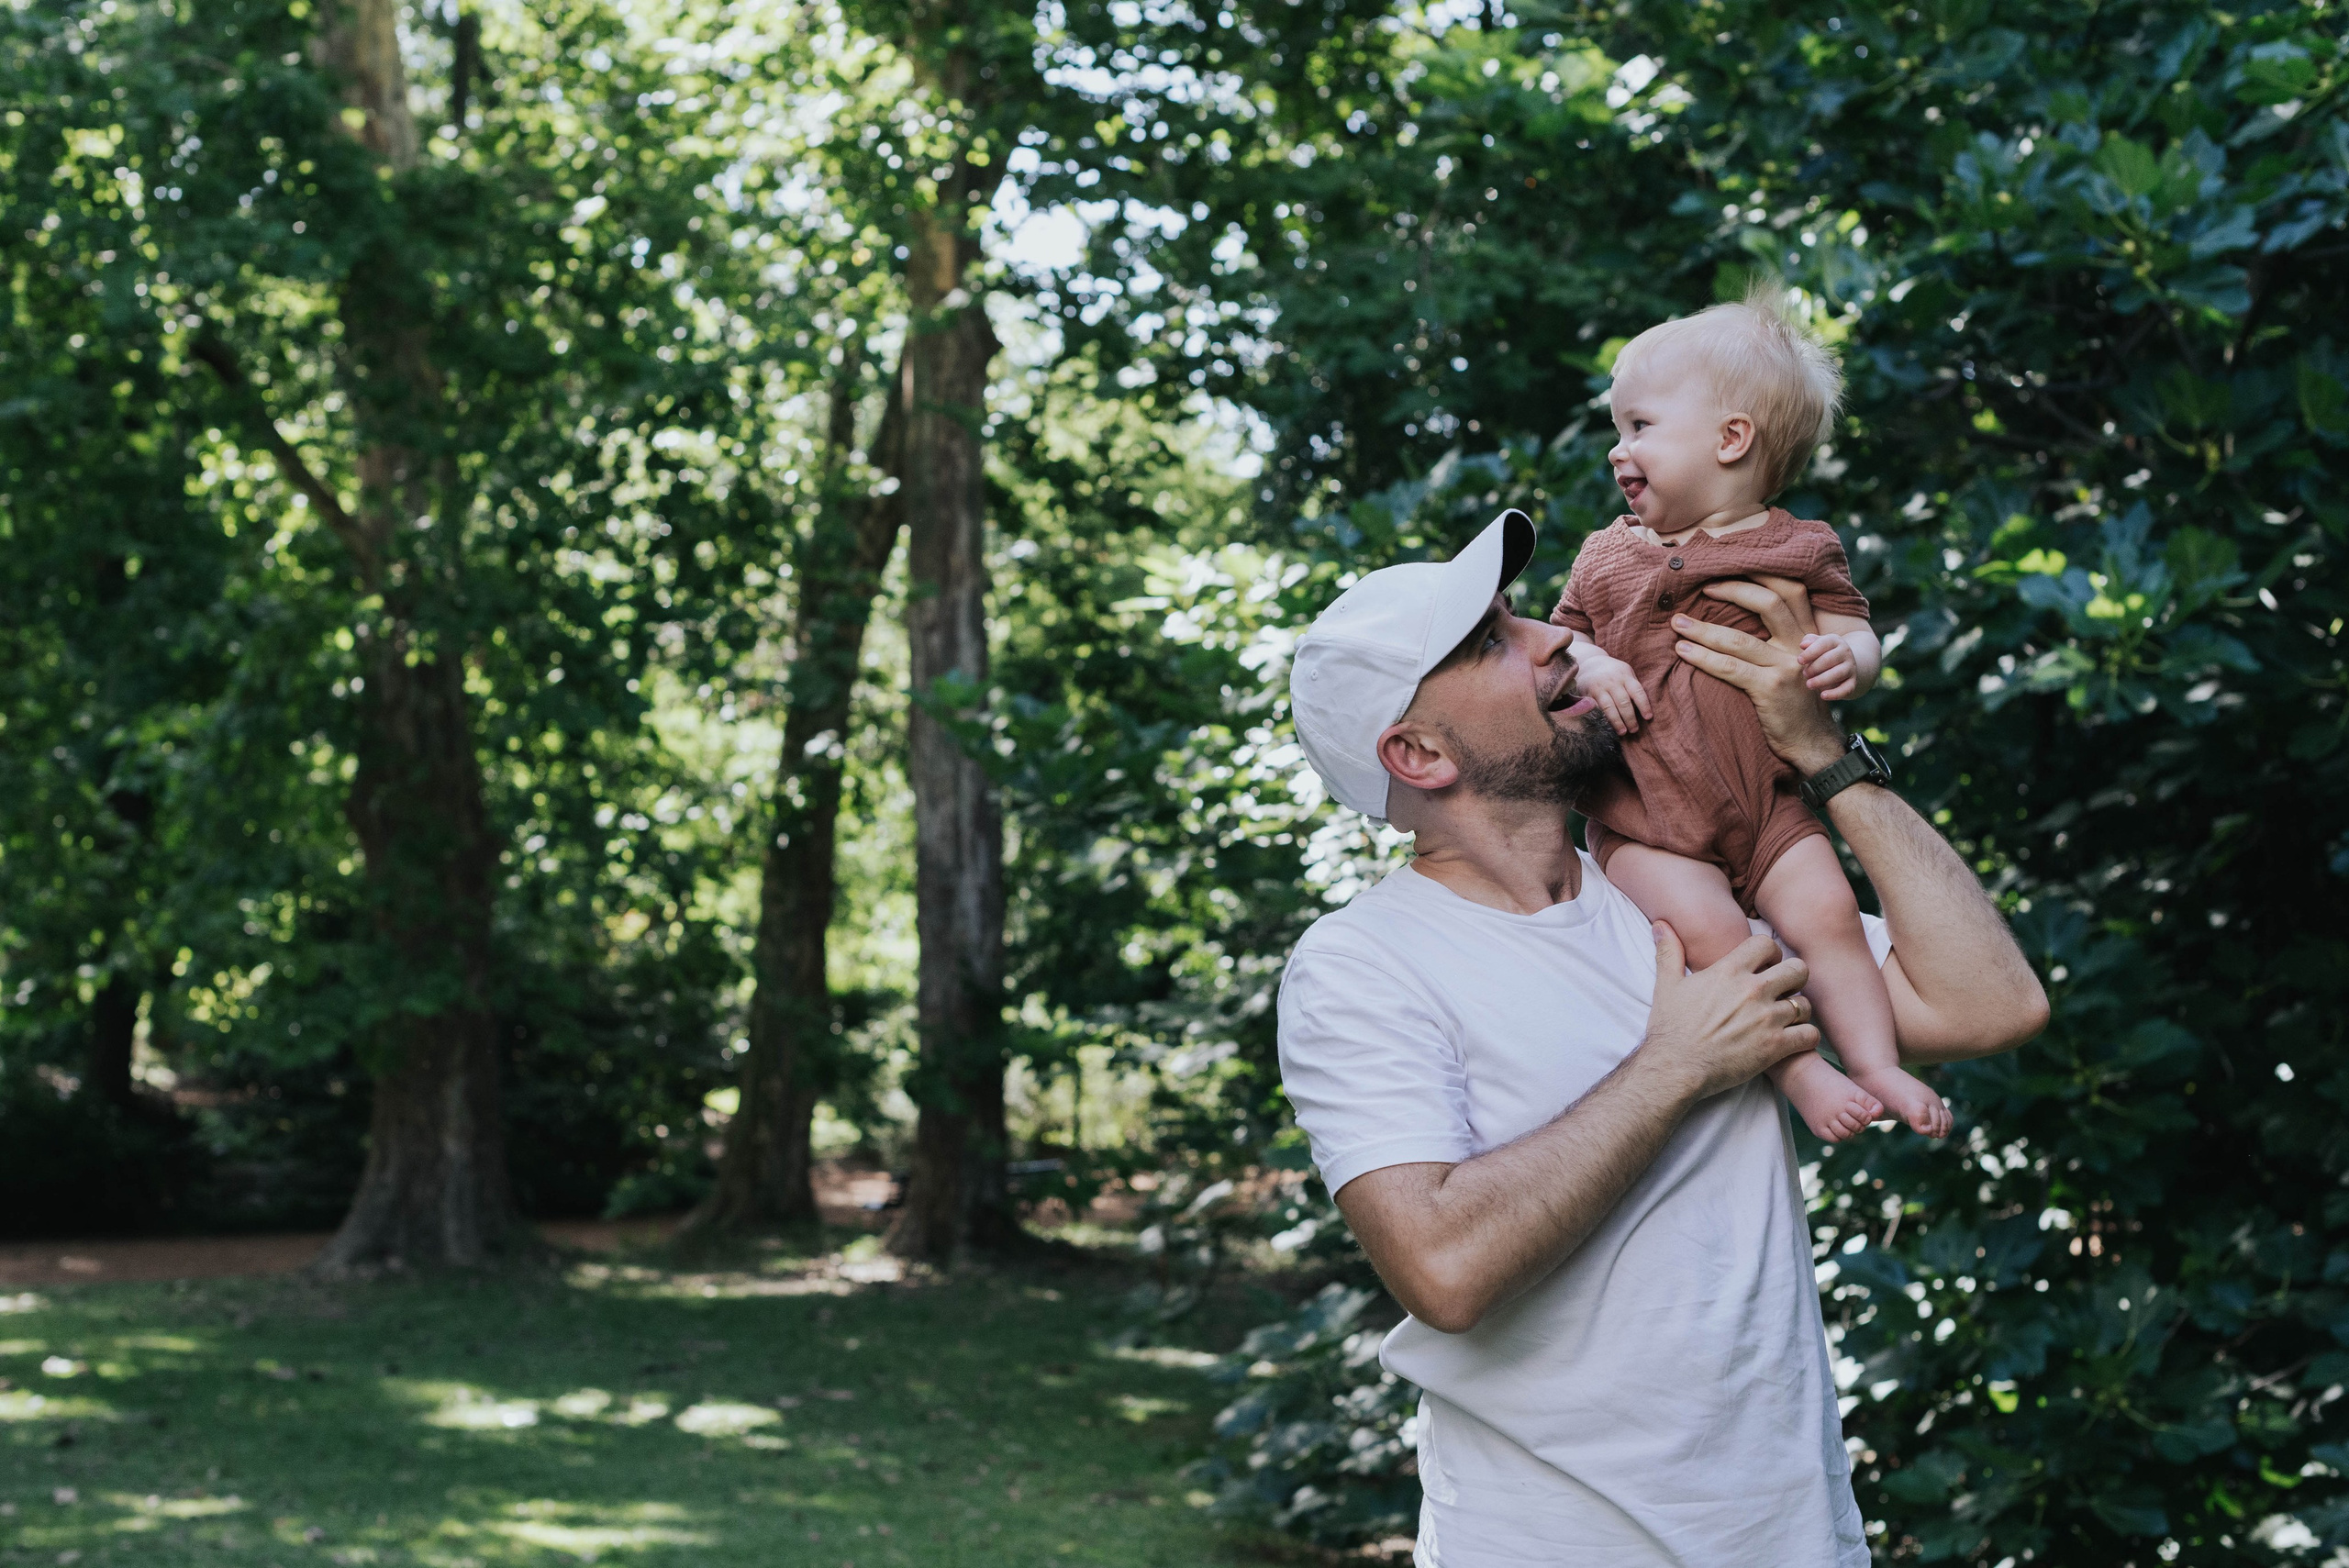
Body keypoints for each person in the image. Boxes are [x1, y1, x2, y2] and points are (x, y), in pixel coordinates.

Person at [1278, 508, 2045, 1566]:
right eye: (1490, 643)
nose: (1551, 636)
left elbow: (1989, 1003)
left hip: (1792, 1533)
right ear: (1416, 751)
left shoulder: (1694, 903)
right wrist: (1680, 1063)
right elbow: (1442, 1268)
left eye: (1520, 616)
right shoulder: (1362, 963)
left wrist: (1821, 754)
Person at [1556, 284, 1943, 1144]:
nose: (1619, 450)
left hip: (1767, 808)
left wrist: (1853, 660)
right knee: (1712, 931)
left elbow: (1855, 629)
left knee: (1830, 917)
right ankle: (1798, 1068)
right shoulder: (1606, 554)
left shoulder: (1803, 548)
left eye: (1640, 426)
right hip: (1645, 816)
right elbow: (1557, 645)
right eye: (1618, 429)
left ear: (1732, 439)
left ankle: (1876, 1063)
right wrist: (1594, 658)